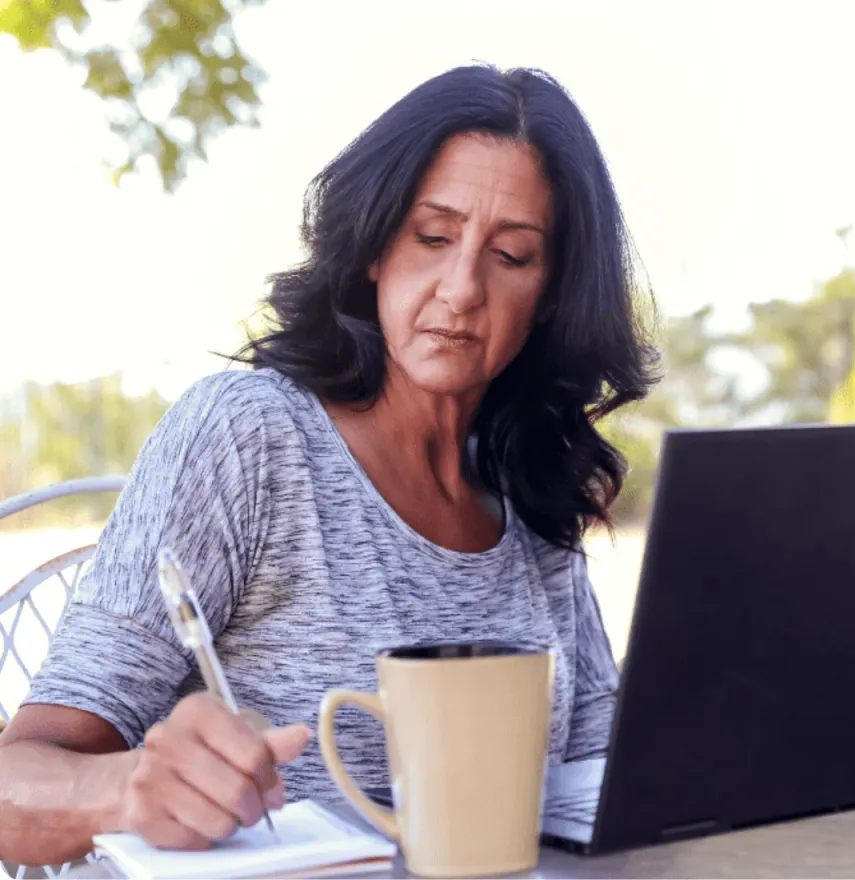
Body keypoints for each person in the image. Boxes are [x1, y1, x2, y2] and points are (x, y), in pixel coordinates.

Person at [0, 63, 659, 865]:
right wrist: (130, 787)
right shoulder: (250, 437)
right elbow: (16, 781)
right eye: (433, 236)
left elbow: (606, 786)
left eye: (512, 255)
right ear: (375, 247)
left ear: (551, 291)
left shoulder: (531, 488)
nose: (461, 289)